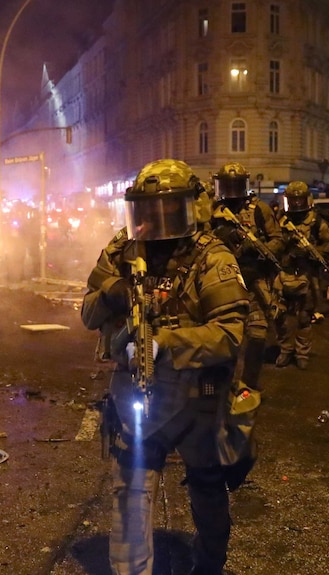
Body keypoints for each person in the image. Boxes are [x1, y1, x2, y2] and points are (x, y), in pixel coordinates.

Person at [81, 159, 251, 575]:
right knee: (131, 494)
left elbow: (229, 334)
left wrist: (165, 344)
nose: (154, 222)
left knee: (208, 490)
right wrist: (113, 293)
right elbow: (87, 312)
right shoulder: (122, 250)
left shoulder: (211, 257)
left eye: (168, 210)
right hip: (140, 401)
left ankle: (209, 565)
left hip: (198, 401)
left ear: (190, 207)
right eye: (146, 211)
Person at [209, 162, 284, 390]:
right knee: (221, 335)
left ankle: (248, 386)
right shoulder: (211, 210)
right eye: (227, 185)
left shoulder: (259, 209)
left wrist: (260, 250)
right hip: (222, 281)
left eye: (236, 185)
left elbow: (277, 238)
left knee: (258, 335)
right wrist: (222, 237)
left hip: (253, 279)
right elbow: (200, 239)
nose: (231, 190)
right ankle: (222, 385)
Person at [274, 182, 329, 368]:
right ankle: (285, 350)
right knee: (280, 316)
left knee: (304, 316)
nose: (296, 204)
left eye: (299, 200)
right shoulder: (280, 219)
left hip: (307, 274)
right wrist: (285, 248)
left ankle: (302, 353)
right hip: (283, 273)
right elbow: (271, 241)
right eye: (292, 200)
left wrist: (312, 252)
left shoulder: (316, 221)